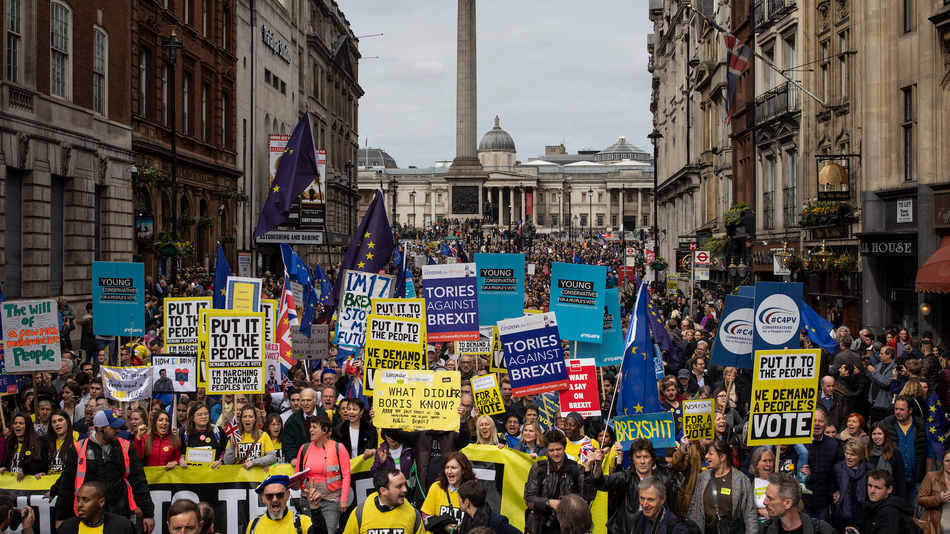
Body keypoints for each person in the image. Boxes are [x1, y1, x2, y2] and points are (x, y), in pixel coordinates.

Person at [54, 410, 155, 534]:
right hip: (89, 516)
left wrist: (148, 514)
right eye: (113, 428)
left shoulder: (127, 447)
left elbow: (140, 482)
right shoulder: (78, 449)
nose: (118, 430)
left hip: (120, 513)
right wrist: (60, 516)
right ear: (100, 429)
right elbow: (66, 484)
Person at [589, 439, 680, 534]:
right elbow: (600, 483)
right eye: (638, 457)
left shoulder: (663, 481)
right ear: (632, 459)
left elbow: (671, 509)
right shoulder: (626, 477)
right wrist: (598, 464)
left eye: (646, 457)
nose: (642, 461)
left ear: (652, 460)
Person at [523, 429, 595, 534]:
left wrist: (588, 470)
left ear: (565, 448)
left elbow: (589, 497)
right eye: (551, 450)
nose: (555, 454)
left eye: (559, 449)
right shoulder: (538, 468)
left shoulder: (576, 468)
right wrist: (551, 503)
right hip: (541, 526)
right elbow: (529, 499)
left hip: (570, 526)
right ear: (546, 450)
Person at [687, 440, 757, 534]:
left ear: (722, 457)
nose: (706, 456)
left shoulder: (742, 480)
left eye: (711, 454)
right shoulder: (703, 477)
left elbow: (750, 515)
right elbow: (694, 508)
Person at [294, 415, 350, 532]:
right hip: (307, 500)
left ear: (325, 430)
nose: (310, 430)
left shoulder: (338, 448)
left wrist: (344, 499)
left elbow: (346, 475)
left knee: (329, 531)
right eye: (310, 427)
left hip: (331, 501)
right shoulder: (304, 448)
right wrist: (294, 484)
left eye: (314, 427)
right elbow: (297, 474)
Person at [883, 395, 933, 511]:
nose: (898, 412)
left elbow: (929, 452)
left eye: (902, 409)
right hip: (893, 479)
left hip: (915, 479)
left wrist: (927, 478)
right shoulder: (887, 423)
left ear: (910, 410)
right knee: (894, 511)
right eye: (896, 409)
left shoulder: (920, 425)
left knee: (916, 513)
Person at [343, 468, 424, 534]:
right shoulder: (360, 513)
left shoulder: (413, 514)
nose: (405, 489)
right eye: (399, 486)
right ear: (383, 491)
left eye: (405, 485)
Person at [246, 474, 329, 534]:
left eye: (279, 495)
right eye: (269, 496)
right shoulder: (254, 525)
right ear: (263, 498)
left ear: (287, 495)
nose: (275, 499)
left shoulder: (301, 522)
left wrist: (315, 509)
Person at [760, 473, 836, 534]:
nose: (764, 502)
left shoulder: (822, 530)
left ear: (788, 504)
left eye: (770, 498)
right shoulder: (765, 529)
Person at [802, 410, 842, 521]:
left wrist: (838, 490)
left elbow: (838, 471)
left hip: (823, 502)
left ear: (825, 424)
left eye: (820, 421)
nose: (817, 423)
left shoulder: (833, 444)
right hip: (803, 502)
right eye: (814, 420)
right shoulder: (800, 443)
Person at [421, 451, 477, 530]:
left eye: (453, 468)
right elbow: (425, 517)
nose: (449, 471)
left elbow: (479, 519)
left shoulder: (472, 491)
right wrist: (443, 527)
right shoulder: (436, 487)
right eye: (447, 467)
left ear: (463, 470)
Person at [56, 481, 135, 534]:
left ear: (101, 502)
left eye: (86, 500)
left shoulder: (122, 526)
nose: (80, 504)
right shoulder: (65, 528)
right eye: (78, 499)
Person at [831, 439, 875, 533]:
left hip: (865, 516)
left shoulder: (869, 469)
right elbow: (830, 489)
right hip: (845, 518)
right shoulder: (838, 468)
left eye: (853, 454)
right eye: (847, 453)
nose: (848, 457)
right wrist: (835, 494)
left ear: (860, 456)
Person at [627, 476, 693, 534]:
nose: (644, 505)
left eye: (650, 500)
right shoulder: (639, 517)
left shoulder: (676, 529)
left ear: (663, 500)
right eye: (642, 498)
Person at [456, 480, 521, 534]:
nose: (458, 501)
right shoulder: (468, 519)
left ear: (467, 502)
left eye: (459, 498)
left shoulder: (495, 521)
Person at [223, 404, 278, 469]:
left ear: (255, 419)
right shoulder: (235, 435)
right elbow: (227, 462)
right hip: (239, 477)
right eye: (244, 417)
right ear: (241, 419)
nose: (247, 419)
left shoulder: (263, 435)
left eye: (250, 417)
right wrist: (233, 444)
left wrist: (253, 462)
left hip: (258, 477)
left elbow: (272, 457)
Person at [865, 422, 907, 501]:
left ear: (885, 435)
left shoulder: (895, 453)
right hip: (871, 497)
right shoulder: (867, 452)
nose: (876, 437)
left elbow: (900, 479)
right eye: (874, 434)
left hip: (891, 497)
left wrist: (902, 502)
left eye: (879, 434)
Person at [864, 469, 915, 534]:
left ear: (889, 489)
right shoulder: (876, 506)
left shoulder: (890, 513)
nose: (872, 491)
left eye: (877, 488)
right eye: (870, 485)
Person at [0, 412, 48, 481]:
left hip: (27, 488)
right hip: (10, 486)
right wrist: (2, 467)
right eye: (15, 423)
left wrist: (25, 469)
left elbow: (44, 465)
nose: (17, 425)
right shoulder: (8, 442)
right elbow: (2, 461)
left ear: (28, 426)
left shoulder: (39, 443)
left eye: (21, 423)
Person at [178, 403, 226, 468]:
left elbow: (225, 450)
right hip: (193, 474)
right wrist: (182, 460)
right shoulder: (185, 433)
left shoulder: (217, 431)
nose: (203, 417)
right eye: (199, 415)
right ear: (193, 418)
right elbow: (183, 453)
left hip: (214, 473)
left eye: (206, 414)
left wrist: (221, 461)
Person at [284, 388, 322, 468]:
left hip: (324, 463)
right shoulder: (292, 421)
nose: (305, 403)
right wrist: (293, 457)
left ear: (316, 401)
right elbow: (288, 443)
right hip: (301, 465)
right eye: (302, 400)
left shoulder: (327, 416)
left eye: (308, 400)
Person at [917, 448, 950, 534]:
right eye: (947, 461)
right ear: (942, 462)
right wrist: (939, 498)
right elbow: (921, 500)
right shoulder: (931, 477)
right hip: (935, 529)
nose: (949, 463)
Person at [748, 447, 775, 520]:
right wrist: (758, 511)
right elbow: (743, 508)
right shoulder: (749, 482)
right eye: (764, 461)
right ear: (756, 464)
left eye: (770, 460)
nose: (768, 464)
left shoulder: (778, 482)